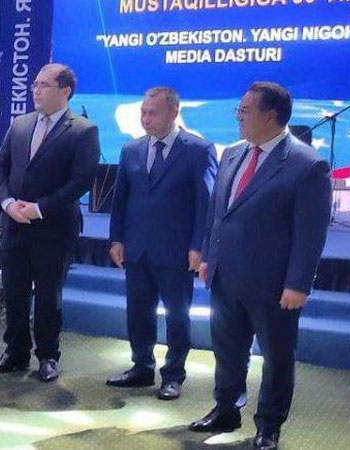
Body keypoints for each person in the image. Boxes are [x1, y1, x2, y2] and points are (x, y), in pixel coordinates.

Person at [189, 82, 332, 450]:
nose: (238, 117)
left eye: (244, 110)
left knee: (276, 357)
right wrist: (208, 257)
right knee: (227, 350)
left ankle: (269, 425)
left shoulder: (307, 164)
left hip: (274, 284)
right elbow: (217, 212)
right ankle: (226, 408)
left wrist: (298, 283)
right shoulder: (232, 153)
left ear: (271, 116)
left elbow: (310, 233)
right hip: (225, 276)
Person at [0, 63, 100, 382]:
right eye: (34, 84)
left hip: (53, 227)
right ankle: (15, 352)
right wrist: (7, 203)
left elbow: (81, 180)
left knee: (49, 295)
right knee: (14, 291)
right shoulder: (21, 124)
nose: (36, 90)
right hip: (14, 224)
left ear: (65, 91)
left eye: (44, 85)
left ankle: (48, 355)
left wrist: (39, 209)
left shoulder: (83, 130)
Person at [106, 87, 217, 400]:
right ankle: (141, 366)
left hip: (176, 251)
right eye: (143, 112)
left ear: (173, 112)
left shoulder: (198, 150)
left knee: (177, 315)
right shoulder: (131, 149)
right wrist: (117, 238)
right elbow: (120, 200)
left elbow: (205, 204)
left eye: (152, 113)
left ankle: (173, 374)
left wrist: (199, 246)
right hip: (137, 248)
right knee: (138, 312)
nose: (145, 118)